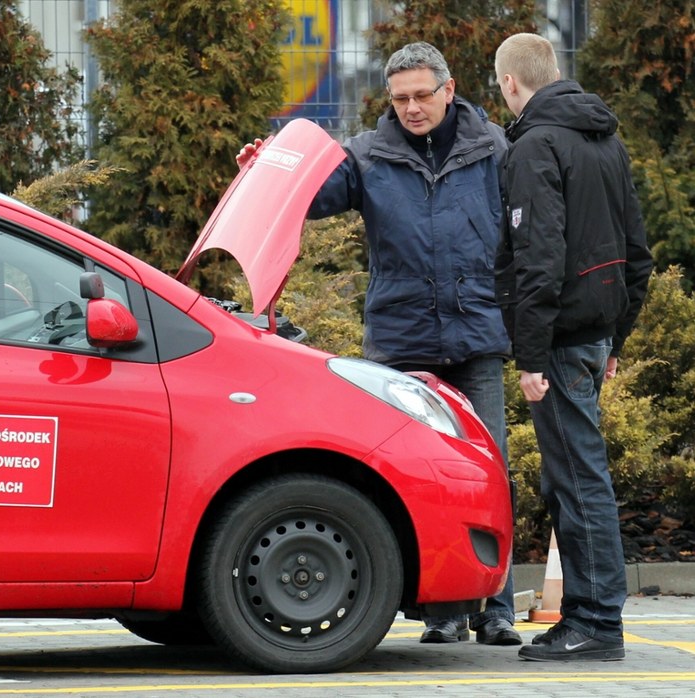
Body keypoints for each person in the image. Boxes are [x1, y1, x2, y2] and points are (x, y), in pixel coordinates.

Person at [238, 41, 521, 646]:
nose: (412, 108)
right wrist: (264, 171)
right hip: (402, 343)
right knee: (425, 477)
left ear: (449, 90)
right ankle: (444, 613)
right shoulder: (367, 155)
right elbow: (308, 199)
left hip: (477, 338)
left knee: (487, 469)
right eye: (400, 99)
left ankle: (496, 609)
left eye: (422, 96)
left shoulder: (495, 148)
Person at [493, 33, 653, 661]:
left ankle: (592, 621)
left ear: (510, 84)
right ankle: (595, 617)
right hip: (591, 334)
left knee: (576, 479)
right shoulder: (604, 140)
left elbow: (539, 259)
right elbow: (636, 254)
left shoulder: (534, 145)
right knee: (581, 474)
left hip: (558, 342)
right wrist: (616, 337)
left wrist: (529, 357)